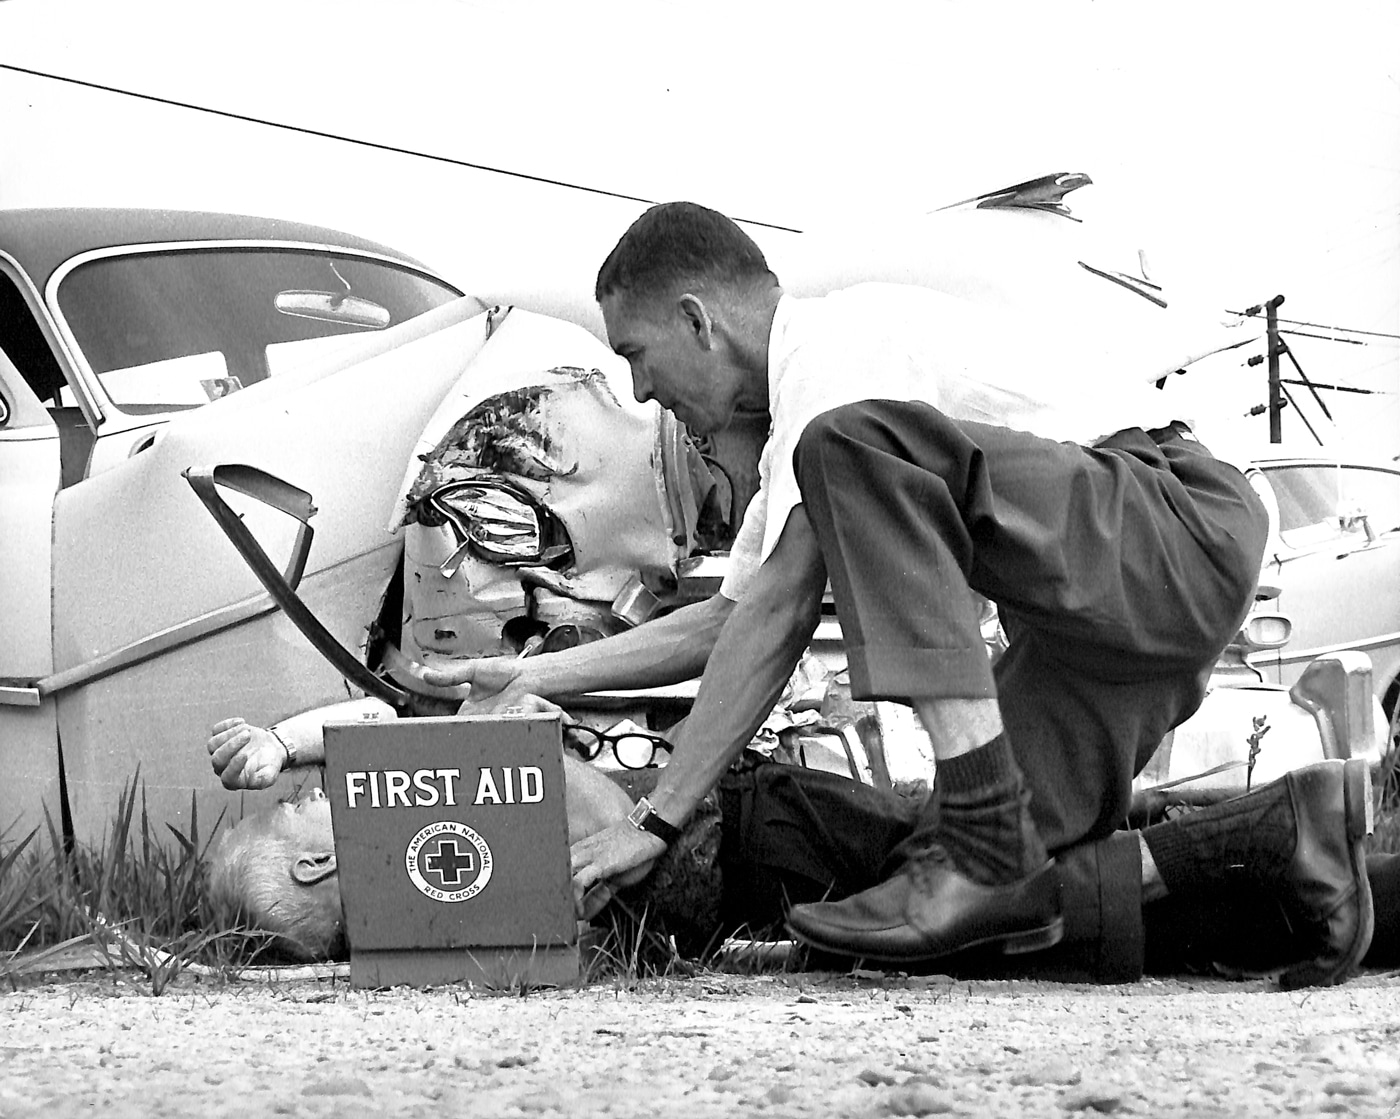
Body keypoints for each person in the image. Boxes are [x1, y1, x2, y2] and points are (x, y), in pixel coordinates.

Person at [411, 201, 1373, 982]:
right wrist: (528, 669)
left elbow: (784, 610)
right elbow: (731, 619)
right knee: (961, 914)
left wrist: (656, 815)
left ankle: (986, 833)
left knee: (855, 449)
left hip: (1170, 522)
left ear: (698, 320)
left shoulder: (836, 356)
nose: (644, 391)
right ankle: (1282, 839)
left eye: (637, 355)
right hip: (1097, 624)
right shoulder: (801, 419)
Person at [206, 711, 1396, 983]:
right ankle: (1327, 859)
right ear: (320, 871)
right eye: (312, 820)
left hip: (764, 834)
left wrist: (297, 746)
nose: (325, 812)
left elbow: (454, 742)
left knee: (1012, 878)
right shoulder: (447, 911)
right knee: (1039, 891)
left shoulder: (461, 816)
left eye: (316, 807)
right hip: (775, 853)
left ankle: (1283, 826)